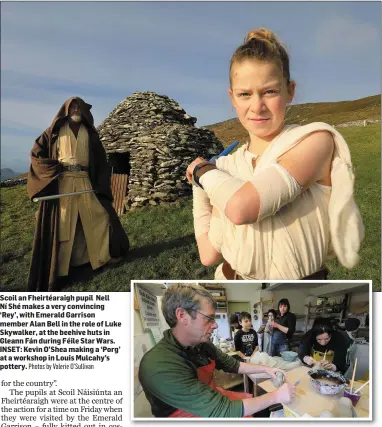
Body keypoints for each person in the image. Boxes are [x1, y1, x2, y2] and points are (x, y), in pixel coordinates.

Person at [186, 27, 364, 280]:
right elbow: (208, 255)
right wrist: (198, 188)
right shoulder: (226, 168)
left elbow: (241, 208)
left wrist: (202, 171)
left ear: (289, 90)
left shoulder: (315, 141)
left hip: (299, 295)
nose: (257, 106)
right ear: (232, 98)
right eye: (245, 94)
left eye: (270, 91)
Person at [139, 283, 296, 418]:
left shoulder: (202, 344)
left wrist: (267, 369)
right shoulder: (161, 366)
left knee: (255, 406)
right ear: (182, 316)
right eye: (209, 318)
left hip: (210, 398)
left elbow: (233, 365)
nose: (215, 325)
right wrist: (276, 396)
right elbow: (221, 410)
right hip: (187, 414)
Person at [27, 97, 130, 291]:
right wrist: (50, 168)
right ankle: (60, 270)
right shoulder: (55, 131)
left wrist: (100, 182)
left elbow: (100, 160)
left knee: (96, 218)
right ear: (66, 110)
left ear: (82, 110)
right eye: (72, 107)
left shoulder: (90, 133)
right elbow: (37, 152)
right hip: (64, 183)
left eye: (78, 107)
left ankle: (99, 258)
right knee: (64, 224)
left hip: (84, 181)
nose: (75, 110)